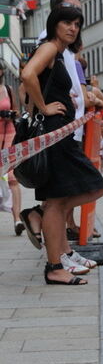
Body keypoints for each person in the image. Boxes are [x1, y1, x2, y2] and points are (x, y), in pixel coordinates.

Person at [20, 5, 103, 284]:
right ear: (55, 24)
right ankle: (55, 266)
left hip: (60, 136)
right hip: (55, 137)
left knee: (68, 197)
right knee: (88, 188)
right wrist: (44, 107)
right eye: (67, 22)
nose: (72, 28)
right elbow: (27, 75)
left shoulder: (58, 54)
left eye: (77, 24)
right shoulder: (48, 49)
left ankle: (54, 242)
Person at [0, 59, 23, 234]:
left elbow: (16, 111)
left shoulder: (7, 89)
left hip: (9, 134)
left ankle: (17, 219)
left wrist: (11, 115)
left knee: (12, 177)